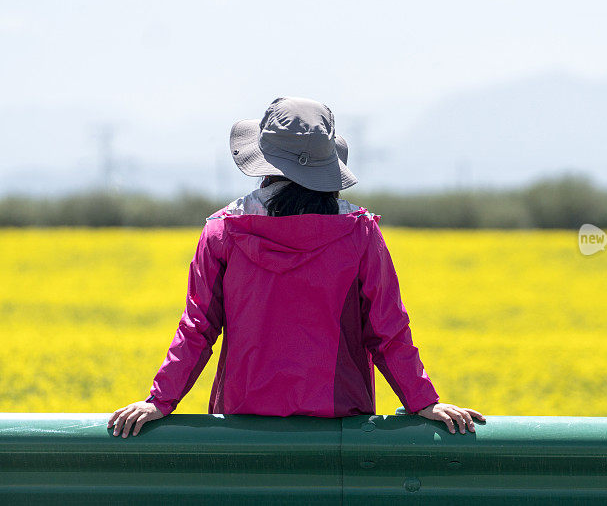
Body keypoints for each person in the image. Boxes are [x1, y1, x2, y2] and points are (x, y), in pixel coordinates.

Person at [108, 97, 484, 438]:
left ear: (263, 161)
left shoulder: (223, 232)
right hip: (340, 423)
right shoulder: (360, 232)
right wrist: (423, 402)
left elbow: (198, 327)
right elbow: (387, 330)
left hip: (244, 420)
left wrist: (160, 400)